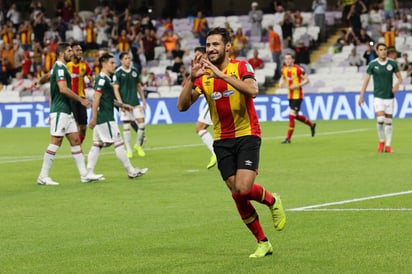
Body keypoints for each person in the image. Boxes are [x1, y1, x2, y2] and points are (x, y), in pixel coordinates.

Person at [177, 27, 286, 259]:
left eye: (215, 44)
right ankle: (263, 242)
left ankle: (272, 199)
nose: (211, 49)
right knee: (237, 194)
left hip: (247, 134)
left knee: (243, 188)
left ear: (228, 47)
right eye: (208, 45)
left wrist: (222, 75)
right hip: (222, 140)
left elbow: (253, 90)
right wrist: (191, 78)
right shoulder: (203, 76)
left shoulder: (241, 66)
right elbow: (182, 106)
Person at [37, 42, 103, 186]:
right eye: (68, 51)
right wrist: (81, 100)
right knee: (56, 142)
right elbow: (63, 89)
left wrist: (39, 81)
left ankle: (84, 174)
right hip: (60, 110)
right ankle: (43, 176)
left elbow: (47, 77)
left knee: (75, 140)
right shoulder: (60, 68)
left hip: (67, 111)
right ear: (61, 53)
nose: (71, 53)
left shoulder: (58, 68)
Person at [87, 52, 148, 179]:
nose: (114, 65)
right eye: (112, 63)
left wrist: (122, 105)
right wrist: (93, 117)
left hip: (104, 116)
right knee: (118, 143)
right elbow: (96, 98)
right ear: (104, 64)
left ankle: (89, 173)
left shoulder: (107, 79)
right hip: (105, 117)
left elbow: (107, 99)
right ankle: (131, 171)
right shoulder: (102, 79)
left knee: (97, 144)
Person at [358, 42, 402, 153]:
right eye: (381, 50)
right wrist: (361, 95)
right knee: (380, 119)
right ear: (377, 52)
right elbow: (366, 80)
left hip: (389, 97)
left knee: (388, 122)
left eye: (385, 49)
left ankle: (388, 146)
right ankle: (381, 141)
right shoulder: (372, 64)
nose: (383, 51)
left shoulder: (392, 63)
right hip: (378, 97)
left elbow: (400, 78)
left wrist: (397, 85)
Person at [113, 52, 147, 158]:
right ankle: (129, 149)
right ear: (121, 60)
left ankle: (138, 145)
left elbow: (139, 87)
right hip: (125, 104)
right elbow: (116, 89)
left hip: (135, 103)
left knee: (142, 124)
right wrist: (121, 104)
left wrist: (143, 100)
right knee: (126, 126)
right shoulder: (118, 72)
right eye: (126, 58)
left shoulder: (134, 71)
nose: (128, 60)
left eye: (129, 58)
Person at [279, 53, 316, 144]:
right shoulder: (284, 69)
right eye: (286, 59)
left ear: (293, 60)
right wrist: (281, 83)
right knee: (295, 115)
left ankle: (288, 138)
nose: (287, 61)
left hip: (298, 96)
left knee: (291, 115)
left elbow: (307, 80)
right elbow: (283, 78)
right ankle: (311, 125)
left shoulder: (298, 69)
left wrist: (297, 85)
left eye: (289, 59)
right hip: (290, 96)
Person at [192, 46, 216, 169]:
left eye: (199, 56)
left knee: (200, 127)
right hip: (213, 99)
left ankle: (215, 153)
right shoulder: (202, 69)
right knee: (200, 127)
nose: (197, 59)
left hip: (215, 100)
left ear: (205, 56)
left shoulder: (209, 68)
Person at [66, 42, 94, 144]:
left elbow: (92, 79)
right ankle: (77, 149)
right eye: (77, 50)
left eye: (81, 50)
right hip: (70, 99)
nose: (80, 52)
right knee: (75, 125)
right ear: (72, 52)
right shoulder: (66, 65)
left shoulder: (85, 65)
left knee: (83, 127)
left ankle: (78, 145)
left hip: (81, 99)